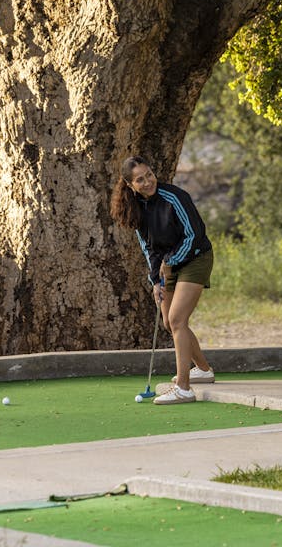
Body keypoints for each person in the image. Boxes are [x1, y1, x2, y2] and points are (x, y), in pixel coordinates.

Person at [110, 155, 215, 405]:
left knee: (178, 319)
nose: (148, 182)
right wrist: (155, 281)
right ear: (129, 184)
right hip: (168, 264)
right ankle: (203, 369)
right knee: (169, 323)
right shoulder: (136, 208)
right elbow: (148, 248)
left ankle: (183, 387)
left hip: (195, 258)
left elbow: (194, 235)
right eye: (140, 179)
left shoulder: (174, 197)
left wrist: (170, 262)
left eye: (149, 175)